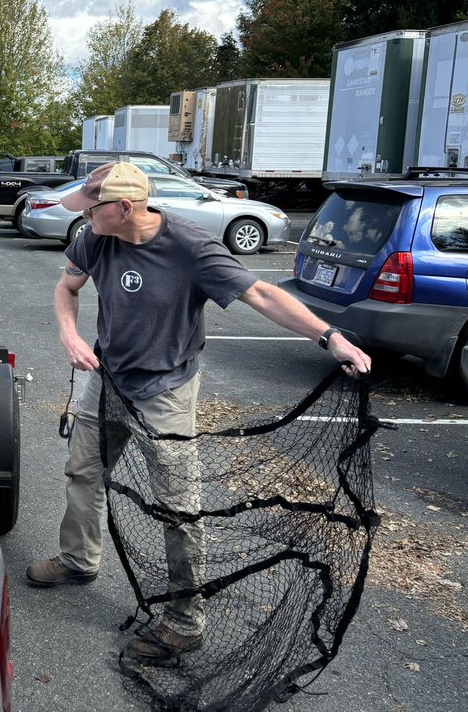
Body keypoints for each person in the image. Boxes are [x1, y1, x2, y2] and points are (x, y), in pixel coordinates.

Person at [25, 162, 371, 664]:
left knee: (177, 505)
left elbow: (261, 294)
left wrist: (329, 336)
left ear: (125, 207)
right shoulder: (96, 239)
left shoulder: (192, 248)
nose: (83, 215)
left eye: (92, 207)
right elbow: (67, 289)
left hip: (165, 389)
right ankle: (79, 561)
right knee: (84, 472)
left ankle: (186, 620)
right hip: (108, 379)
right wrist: (70, 334)